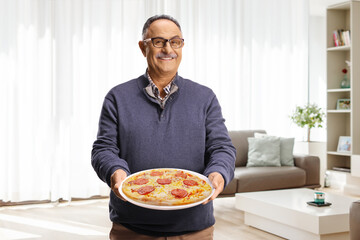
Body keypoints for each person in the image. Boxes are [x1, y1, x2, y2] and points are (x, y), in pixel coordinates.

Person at [91, 14, 236, 240]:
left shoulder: (205, 97)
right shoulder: (117, 97)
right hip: (132, 228)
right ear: (143, 47)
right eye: (158, 41)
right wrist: (116, 172)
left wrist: (218, 172)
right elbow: (104, 149)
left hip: (195, 228)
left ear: (182, 46)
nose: (168, 49)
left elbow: (222, 147)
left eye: (175, 41)